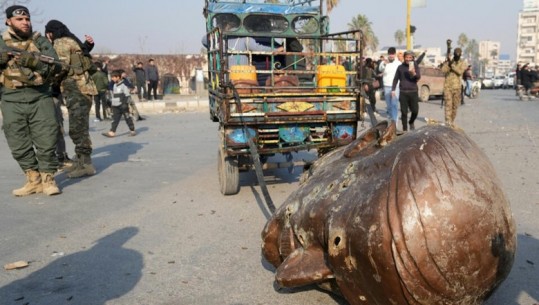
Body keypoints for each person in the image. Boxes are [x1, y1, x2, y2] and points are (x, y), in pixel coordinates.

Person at [0, 5, 62, 196]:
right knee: (17, 140)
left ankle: (48, 179)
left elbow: (56, 66)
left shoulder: (40, 41)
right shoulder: (2, 42)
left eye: (27, 19)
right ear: (8, 22)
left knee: (46, 138)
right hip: (11, 98)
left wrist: (32, 61)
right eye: (19, 19)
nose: (25, 22)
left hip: (40, 97)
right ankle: (33, 179)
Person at [45, 19, 98, 178]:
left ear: (50, 32)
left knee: (77, 128)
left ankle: (86, 165)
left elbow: (61, 66)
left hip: (76, 89)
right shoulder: (72, 41)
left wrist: (49, 81)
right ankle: (80, 161)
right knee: (79, 126)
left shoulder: (60, 42)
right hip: (83, 88)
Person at [391, 50, 421, 132]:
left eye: (410, 57)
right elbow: (395, 79)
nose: (408, 59)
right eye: (406, 57)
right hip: (403, 92)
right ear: (404, 58)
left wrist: (413, 73)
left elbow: (418, 76)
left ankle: (411, 122)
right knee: (404, 112)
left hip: (413, 92)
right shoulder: (400, 67)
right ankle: (404, 129)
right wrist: (393, 90)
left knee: (415, 111)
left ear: (412, 58)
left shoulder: (415, 65)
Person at [102, 70, 136, 137]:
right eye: (112, 77)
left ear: (118, 77)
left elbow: (127, 95)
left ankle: (132, 130)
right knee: (115, 119)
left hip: (123, 105)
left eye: (114, 77)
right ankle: (112, 132)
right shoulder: (114, 85)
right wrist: (112, 103)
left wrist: (126, 104)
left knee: (127, 118)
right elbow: (113, 95)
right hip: (115, 105)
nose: (112, 79)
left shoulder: (123, 85)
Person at [441, 47, 468, 128]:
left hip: (457, 88)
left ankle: (451, 121)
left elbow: (460, 72)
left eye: (458, 55)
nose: (457, 56)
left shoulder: (463, 63)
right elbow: (443, 71)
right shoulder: (449, 62)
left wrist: (452, 66)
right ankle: (448, 122)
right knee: (448, 106)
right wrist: (448, 64)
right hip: (447, 87)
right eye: (456, 54)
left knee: (455, 107)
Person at [379, 47, 401, 122]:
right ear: (388, 55)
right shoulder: (384, 62)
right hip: (386, 86)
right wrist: (384, 64)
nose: (391, 56)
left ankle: (395, 123)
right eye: (390, 54)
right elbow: (380, 69)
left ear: (395, 54)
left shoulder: (398, 63)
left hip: (396, 87)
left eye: (392, 54)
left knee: (394, 105)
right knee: (389, 106)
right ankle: (390, 121)